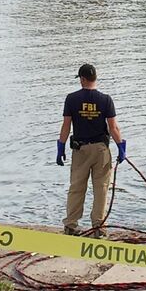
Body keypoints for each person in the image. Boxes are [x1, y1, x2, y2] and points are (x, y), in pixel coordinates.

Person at [56, 63, 126, 238]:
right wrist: (121, 146)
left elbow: (66, 125)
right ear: (95, 78)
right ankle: (98, 228)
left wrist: (61, 146)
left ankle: (71, 225)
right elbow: (113, 127)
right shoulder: (106, 99)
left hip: (80, 150)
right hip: (101, 150)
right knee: (101, 188)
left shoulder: (71, 99)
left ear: (82, 79)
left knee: (76, 187)